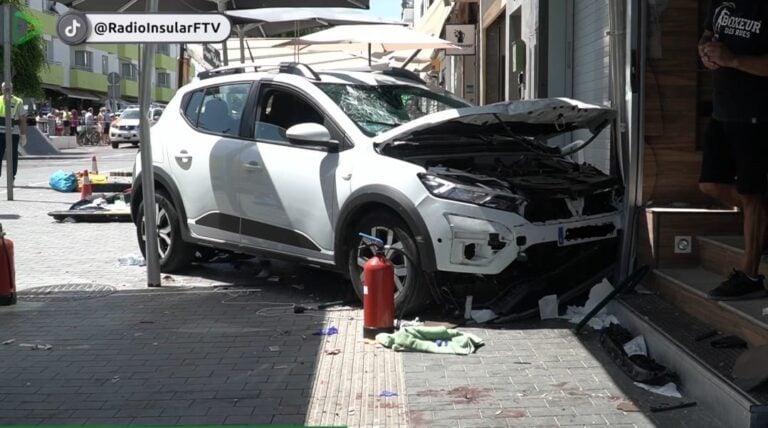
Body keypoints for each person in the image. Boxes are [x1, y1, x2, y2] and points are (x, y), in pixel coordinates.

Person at [698, 0, 768, 300]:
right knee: (710, 185)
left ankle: (751, 275)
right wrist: (704, 52)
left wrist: (733, 60)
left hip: (757, 115)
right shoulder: (721, 2)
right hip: (722, 111)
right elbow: (706, 34)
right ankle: (762, 222)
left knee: (752, 194)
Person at [0, 82, 28, 181]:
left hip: (13, 133)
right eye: (4, 88)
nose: (6, 90)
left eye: (8, 88)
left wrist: (23, 134)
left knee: (12, 156)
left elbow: (23, 119)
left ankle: (11, 177)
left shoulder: (18, 101)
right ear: (1, 89)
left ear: (12, 89)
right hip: (0, 133)